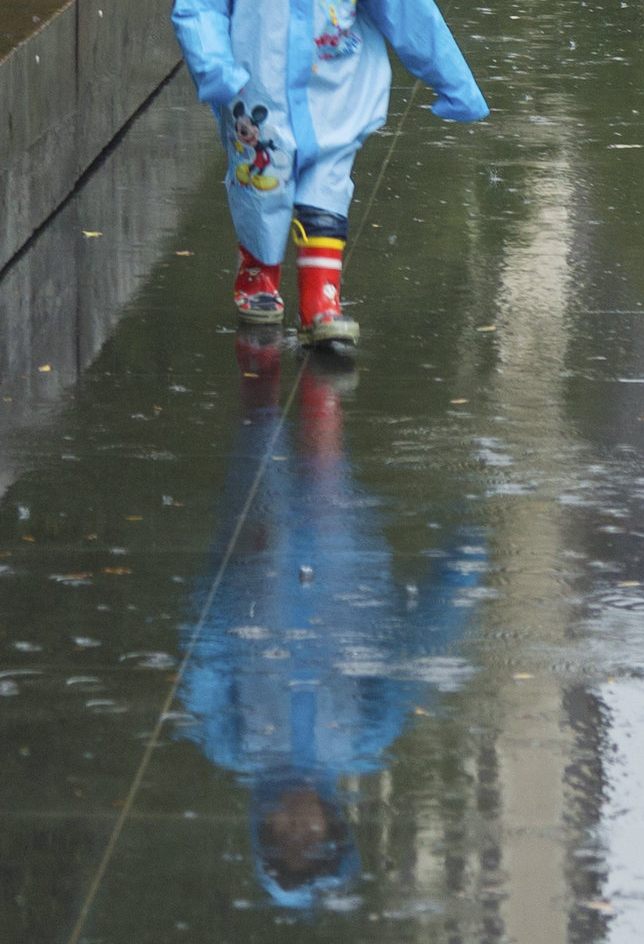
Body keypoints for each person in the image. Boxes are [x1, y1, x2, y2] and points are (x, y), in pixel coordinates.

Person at [171, 0, 487, 354]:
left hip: (337, 95)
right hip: (257, 99)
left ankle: (322, 300)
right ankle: (258, 275)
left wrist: (452, 80)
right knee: (260, 190)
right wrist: (214, 67)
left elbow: (408, 10)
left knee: (327, 192)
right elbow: (199, 6)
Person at [181, 332, 483, 910]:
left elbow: (208, 663)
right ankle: (320, 364)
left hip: (259, 573)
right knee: (323, 457)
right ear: (333, 825)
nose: (297, 827)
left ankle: (262, 350)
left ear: (262, 829)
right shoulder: (361, 741)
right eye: (310, 837)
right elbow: (408, 653)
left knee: (257, 442)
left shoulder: (235, 744)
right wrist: (457, 574)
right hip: (341, 573)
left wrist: (232, 588)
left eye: (284, 838)